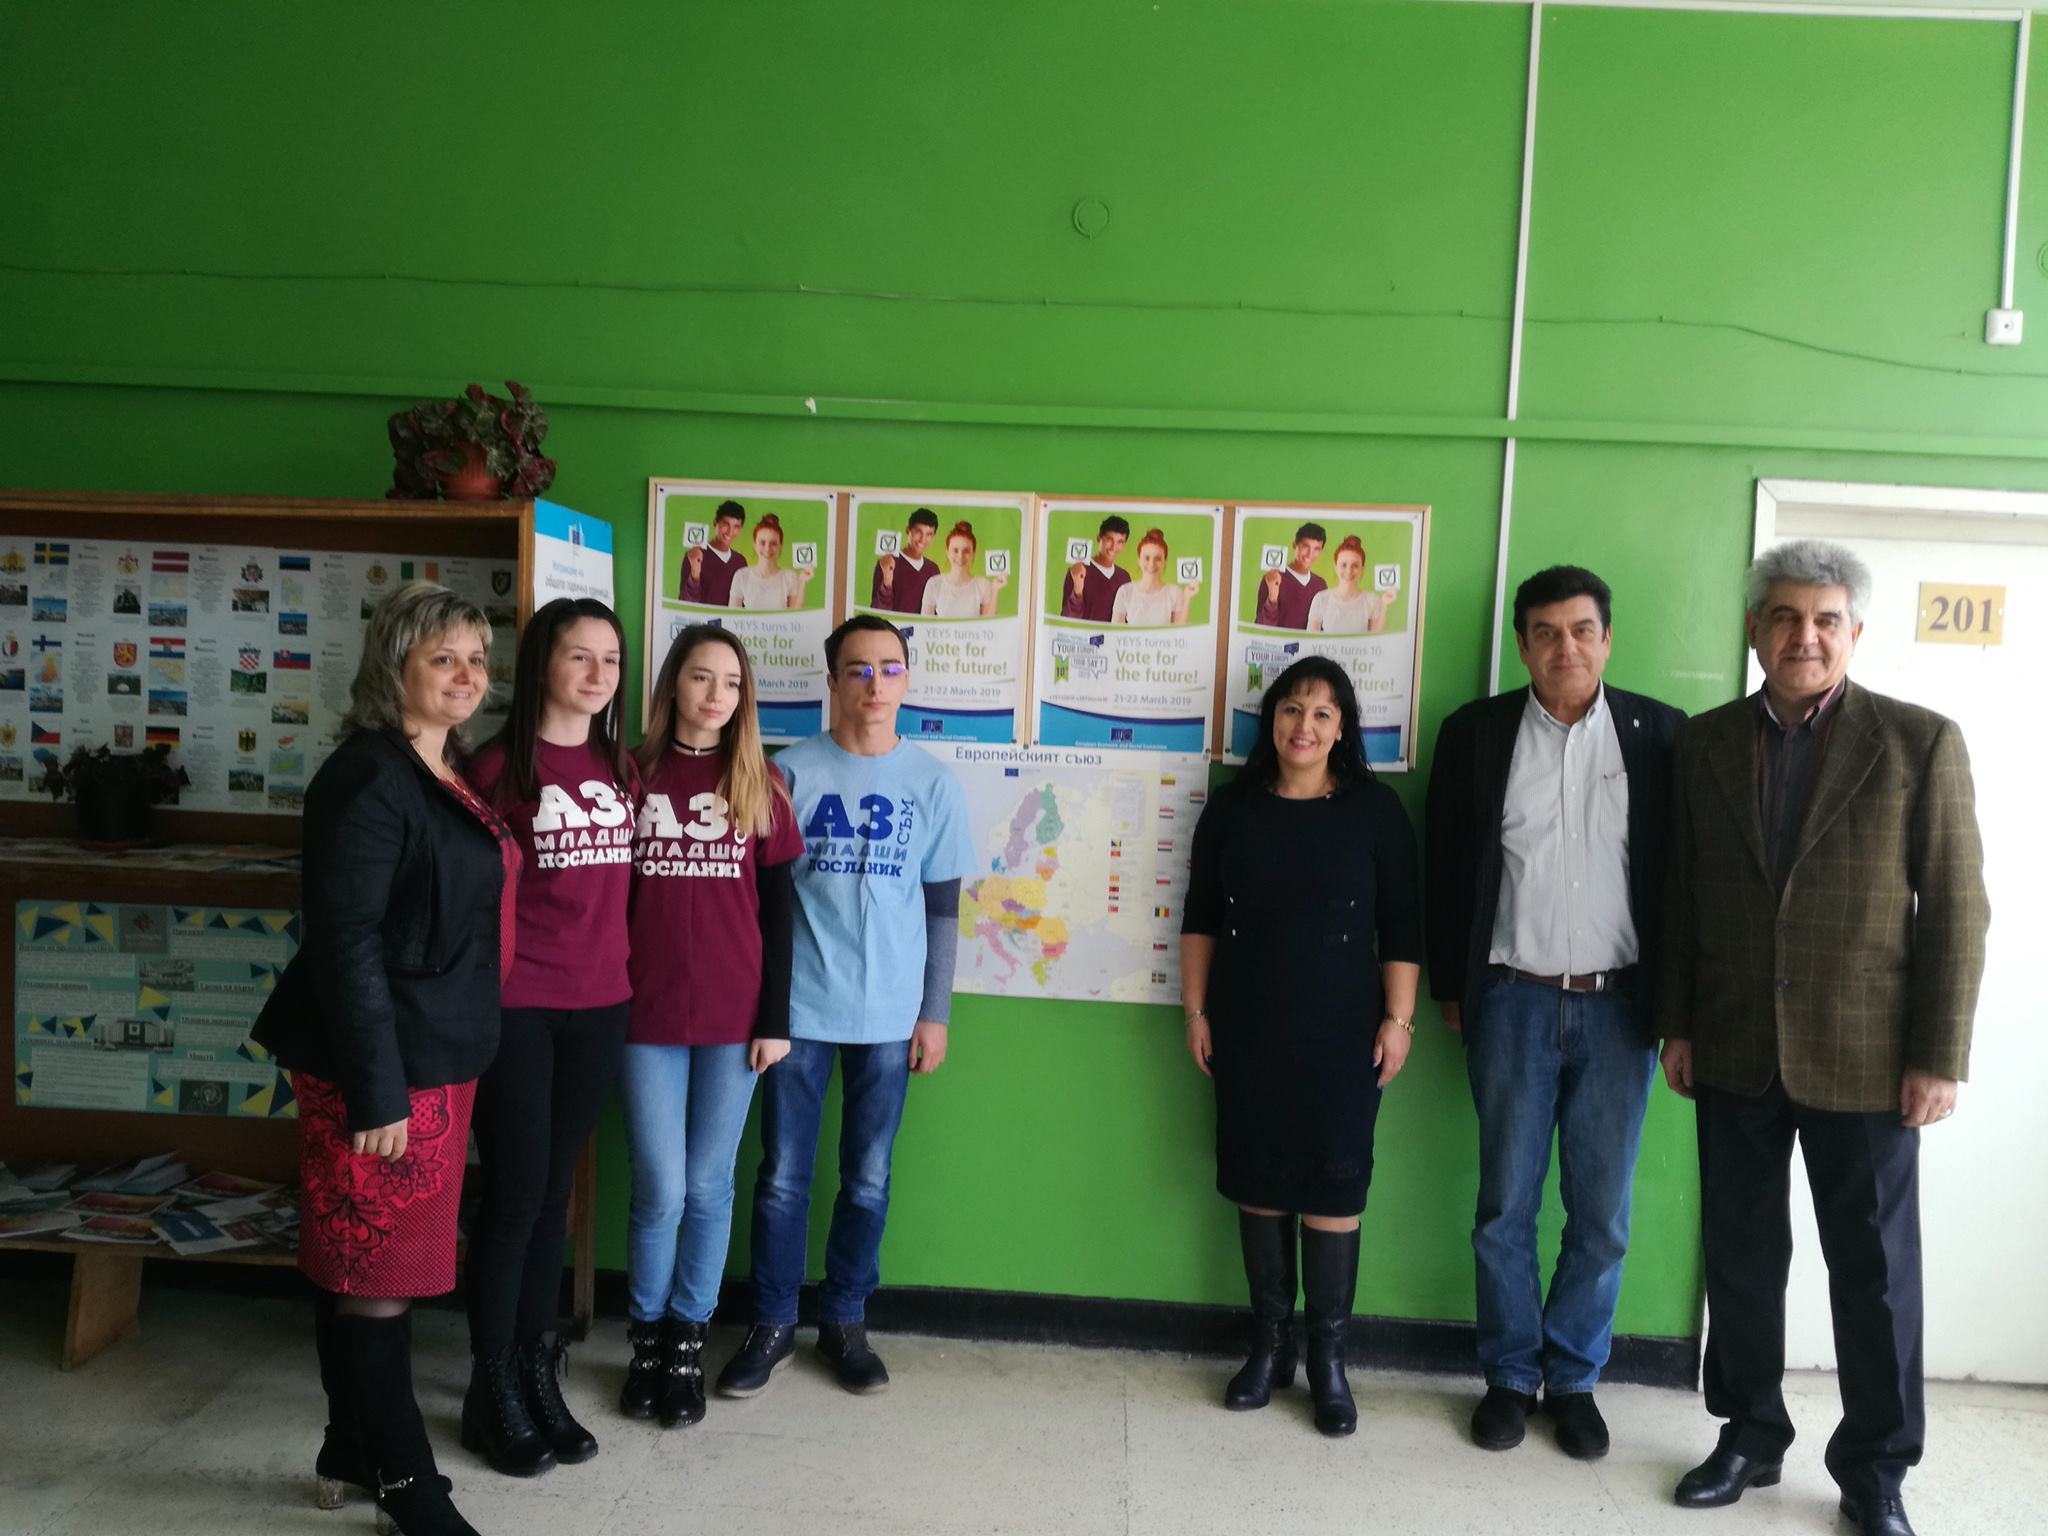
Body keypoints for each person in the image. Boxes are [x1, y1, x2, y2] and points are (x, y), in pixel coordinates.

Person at [1659, 540, 1988, 1536]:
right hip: (1732, 1044)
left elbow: (1956, 907)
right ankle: (1748, 1434)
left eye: (1825, 619)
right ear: (1754, 628)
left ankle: (1876, 1468)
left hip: (1869, 1058)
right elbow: (1680, 892)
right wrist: (1676, 1023)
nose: (1804, 636)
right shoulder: (1704, 744)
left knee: (1875, 1275)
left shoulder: (1918, 741)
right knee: (1740, 1257)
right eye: (1785, 617)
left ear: (1853, 632)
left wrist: (1938, 1054)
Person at [251, 583, 516, 1536]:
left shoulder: (440, 765)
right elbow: (346, 942)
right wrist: (377, 1091)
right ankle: (409, 1486)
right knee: (380, 1273)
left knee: (360, 1263)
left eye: (476, 659)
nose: (467, 675)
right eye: (443, 657)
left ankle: (347, 1445)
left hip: (435, 1051)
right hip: (383, 1067)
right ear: (392, 666)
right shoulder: (366, 776)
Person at [1423, 566, 1684, 1459]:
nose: (1564, 647)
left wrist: (1678, 1007)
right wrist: (1454, 991)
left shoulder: (1661, 735)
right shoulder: (1476, 734)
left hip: (1620, 1011)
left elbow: (1682, 880)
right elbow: (1447, 865)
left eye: (1581, 630)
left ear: (1607, 639)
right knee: (1505, 1206)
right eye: (1545, 632)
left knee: (1601, 1214)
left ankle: (1573, 1379)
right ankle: (1508, 1375)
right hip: (1511, 1002)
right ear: (1522, 645)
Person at [715, 615, 975, 1398]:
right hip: (797, 1012)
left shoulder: (932, 783)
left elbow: (942, 910)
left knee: (867, 1176)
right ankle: (771, 1324)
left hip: (891, 1016)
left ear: (907, 680)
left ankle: (846, 1319)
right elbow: (759, 903)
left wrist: (934, 1013)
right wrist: (763, 1007)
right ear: (831, 682)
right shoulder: (787, 774)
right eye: (857, 669)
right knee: (782, 1177)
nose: (873, 683)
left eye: (888, 668)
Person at [1180, 655, 1422, 1438]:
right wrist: (1195, 1011)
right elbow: (1200, 916)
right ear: (1272, 720)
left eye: (1321, 713)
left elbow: (1403, 924)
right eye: (1291, 709)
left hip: (1344, 1032)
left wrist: (1399, 1021)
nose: (1304, 726)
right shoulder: (1232, 809)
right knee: (1258, 1181)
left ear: (1342, 728)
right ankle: (1269, 1347)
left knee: (1334, 1194)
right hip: (1248, 1025)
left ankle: (1328, 1362)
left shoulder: (1375, 811)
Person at [460, 598, 635, 1477]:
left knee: (555, 1196)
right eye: (580, 657)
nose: (599, 675)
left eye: (612, 660)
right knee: (515, 1195)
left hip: (602, 1005)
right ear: (542, 666)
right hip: (519, 1007)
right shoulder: (496, 767)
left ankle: (536, 1371)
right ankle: (490, 1387)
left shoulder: (620, 766)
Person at [618, 625, 803, 1430]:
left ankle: (688, 1341)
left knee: (706, 1185)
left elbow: (781, 913)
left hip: (735, 1019)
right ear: (673, 685)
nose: (716, 695)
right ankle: (647, 1340)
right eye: (701, 677)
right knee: (659, 1187)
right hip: (644, 1014)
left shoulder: (761, 780)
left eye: (731, 682)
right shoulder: (630, 774)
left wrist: (775, 1019)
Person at [921, 520, 1007, 618]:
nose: (960, 556)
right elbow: (925, 624)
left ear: (973, 554)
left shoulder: (983, 585)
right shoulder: (934, 584)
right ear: (947, 552)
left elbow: (988, 623)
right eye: (955, 550)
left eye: (966, 551)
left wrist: (995, 589)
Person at [1306, 537, 1391, 635]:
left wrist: (1384, 604)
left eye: (1355, 566)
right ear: (1336, 567)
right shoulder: (1321, 599)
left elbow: (1376, 639)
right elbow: (1311, 639)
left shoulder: (1372, 600)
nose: (1349, 571)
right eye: (1343, 565)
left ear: (1362, 569)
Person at [727, 513, 812, 610]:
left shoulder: (790, 577)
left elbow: (795, 615)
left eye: (773, 543)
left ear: (780, 546)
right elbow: (733, 615)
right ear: (755, 545)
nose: (767, 549)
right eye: (762, 543)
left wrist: (802, 582)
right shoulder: (741, 576)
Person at [1109, 528, 1190, 626]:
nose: (1151, 564)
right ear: (1139, 560)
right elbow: (1116, 631)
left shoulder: (1175, 593)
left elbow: (1179, 631)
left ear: (1164, 562)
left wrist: (1187, 597)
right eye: (1146, 558)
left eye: (1158, 559)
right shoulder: (1125, 591)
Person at [1255, 522, 1326, 630]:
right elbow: (1262, 628)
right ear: (1294, 545)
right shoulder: (1272, 579)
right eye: (1305, 546)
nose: (1310, 554)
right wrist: (1272, 598)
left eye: (1316, 549)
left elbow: (1322, 627)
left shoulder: (1320, 585)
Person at [1061, 514, 1132, 622]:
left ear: (1124, 545)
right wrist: (1078, 591)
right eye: (1109, 539)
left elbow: (1125, 619)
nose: (1114, 547)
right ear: (1099, 538)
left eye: (1120, 542)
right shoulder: (1078, 571)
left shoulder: (1124, 577)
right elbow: (1067, 620)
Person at [871, 507, 940, 614]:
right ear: (908, 530)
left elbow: (936, 611)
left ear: (933, 536)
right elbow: (878, 611)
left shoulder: (933, 569)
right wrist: (887, 582)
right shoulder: (887, 563)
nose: (923, 539)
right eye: (918, 532)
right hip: (894, 625)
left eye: (929, 534)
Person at [679, 500, 748, 606]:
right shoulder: (695, 555)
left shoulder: (740, 561)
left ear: (740, 529)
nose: (730, 532)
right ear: (715, 523)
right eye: (726, 524)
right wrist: (695, 573)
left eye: (736, 526)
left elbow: (743, 603)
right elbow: (686, 603)